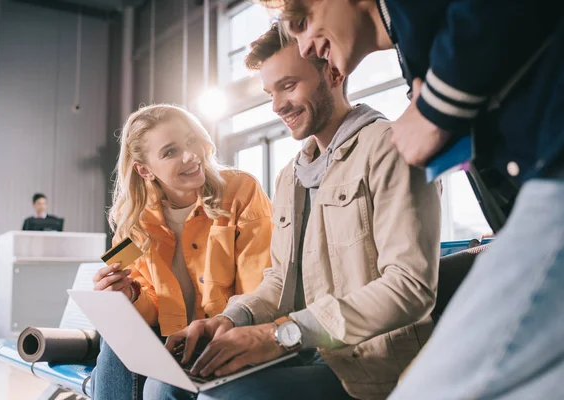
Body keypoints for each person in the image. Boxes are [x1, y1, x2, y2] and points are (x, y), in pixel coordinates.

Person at [257, 0, 564, 398]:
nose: (303, 46)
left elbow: (408, 288)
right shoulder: (290, 176)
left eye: (302, 21)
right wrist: (237, 321)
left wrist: (437, 109)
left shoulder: (386, 139)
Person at [157, 25, 441, 400]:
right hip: (304, 351)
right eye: (271, 92)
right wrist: (228, 320)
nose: (277, 105)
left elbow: (409, 287)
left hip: (370, 368)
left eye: (289, 86)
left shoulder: (389, 149)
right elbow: (280, 281)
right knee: (166, 385)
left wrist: (281, 334)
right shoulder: (290, 176)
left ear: (334, 74)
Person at [90, 104, 273, 400]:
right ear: (144, 170)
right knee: (115, 340)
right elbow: (150, 301)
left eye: (191, 141)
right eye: (170, 151)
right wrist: (127, 296)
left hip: (224, 332)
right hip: (170, 339)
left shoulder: (241, 190)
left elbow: (259, 287)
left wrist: (221, 326)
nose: (191, 155)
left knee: (155, 386)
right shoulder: (132, 219)